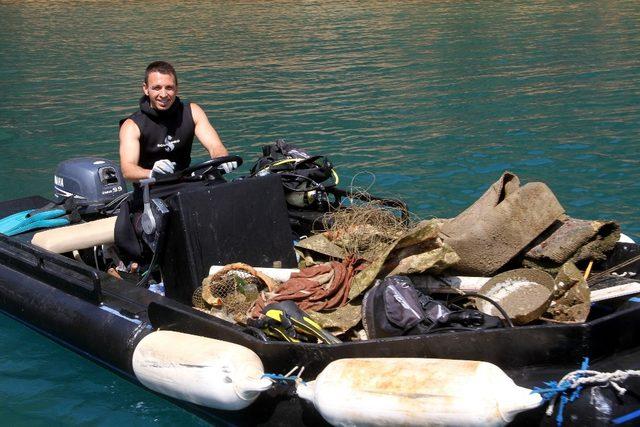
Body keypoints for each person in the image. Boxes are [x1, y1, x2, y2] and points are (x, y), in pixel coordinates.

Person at [119, 61, 237, 180]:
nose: (163, 94)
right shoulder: (131, 125)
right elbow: (128, 170)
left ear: (176, 88)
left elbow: (215, 146)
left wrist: (221, 159)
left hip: (185, 181)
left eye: (169, 88)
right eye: (157, 88)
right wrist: (152, 173)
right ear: (146, 89)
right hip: (151, 187)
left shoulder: (193, 112)